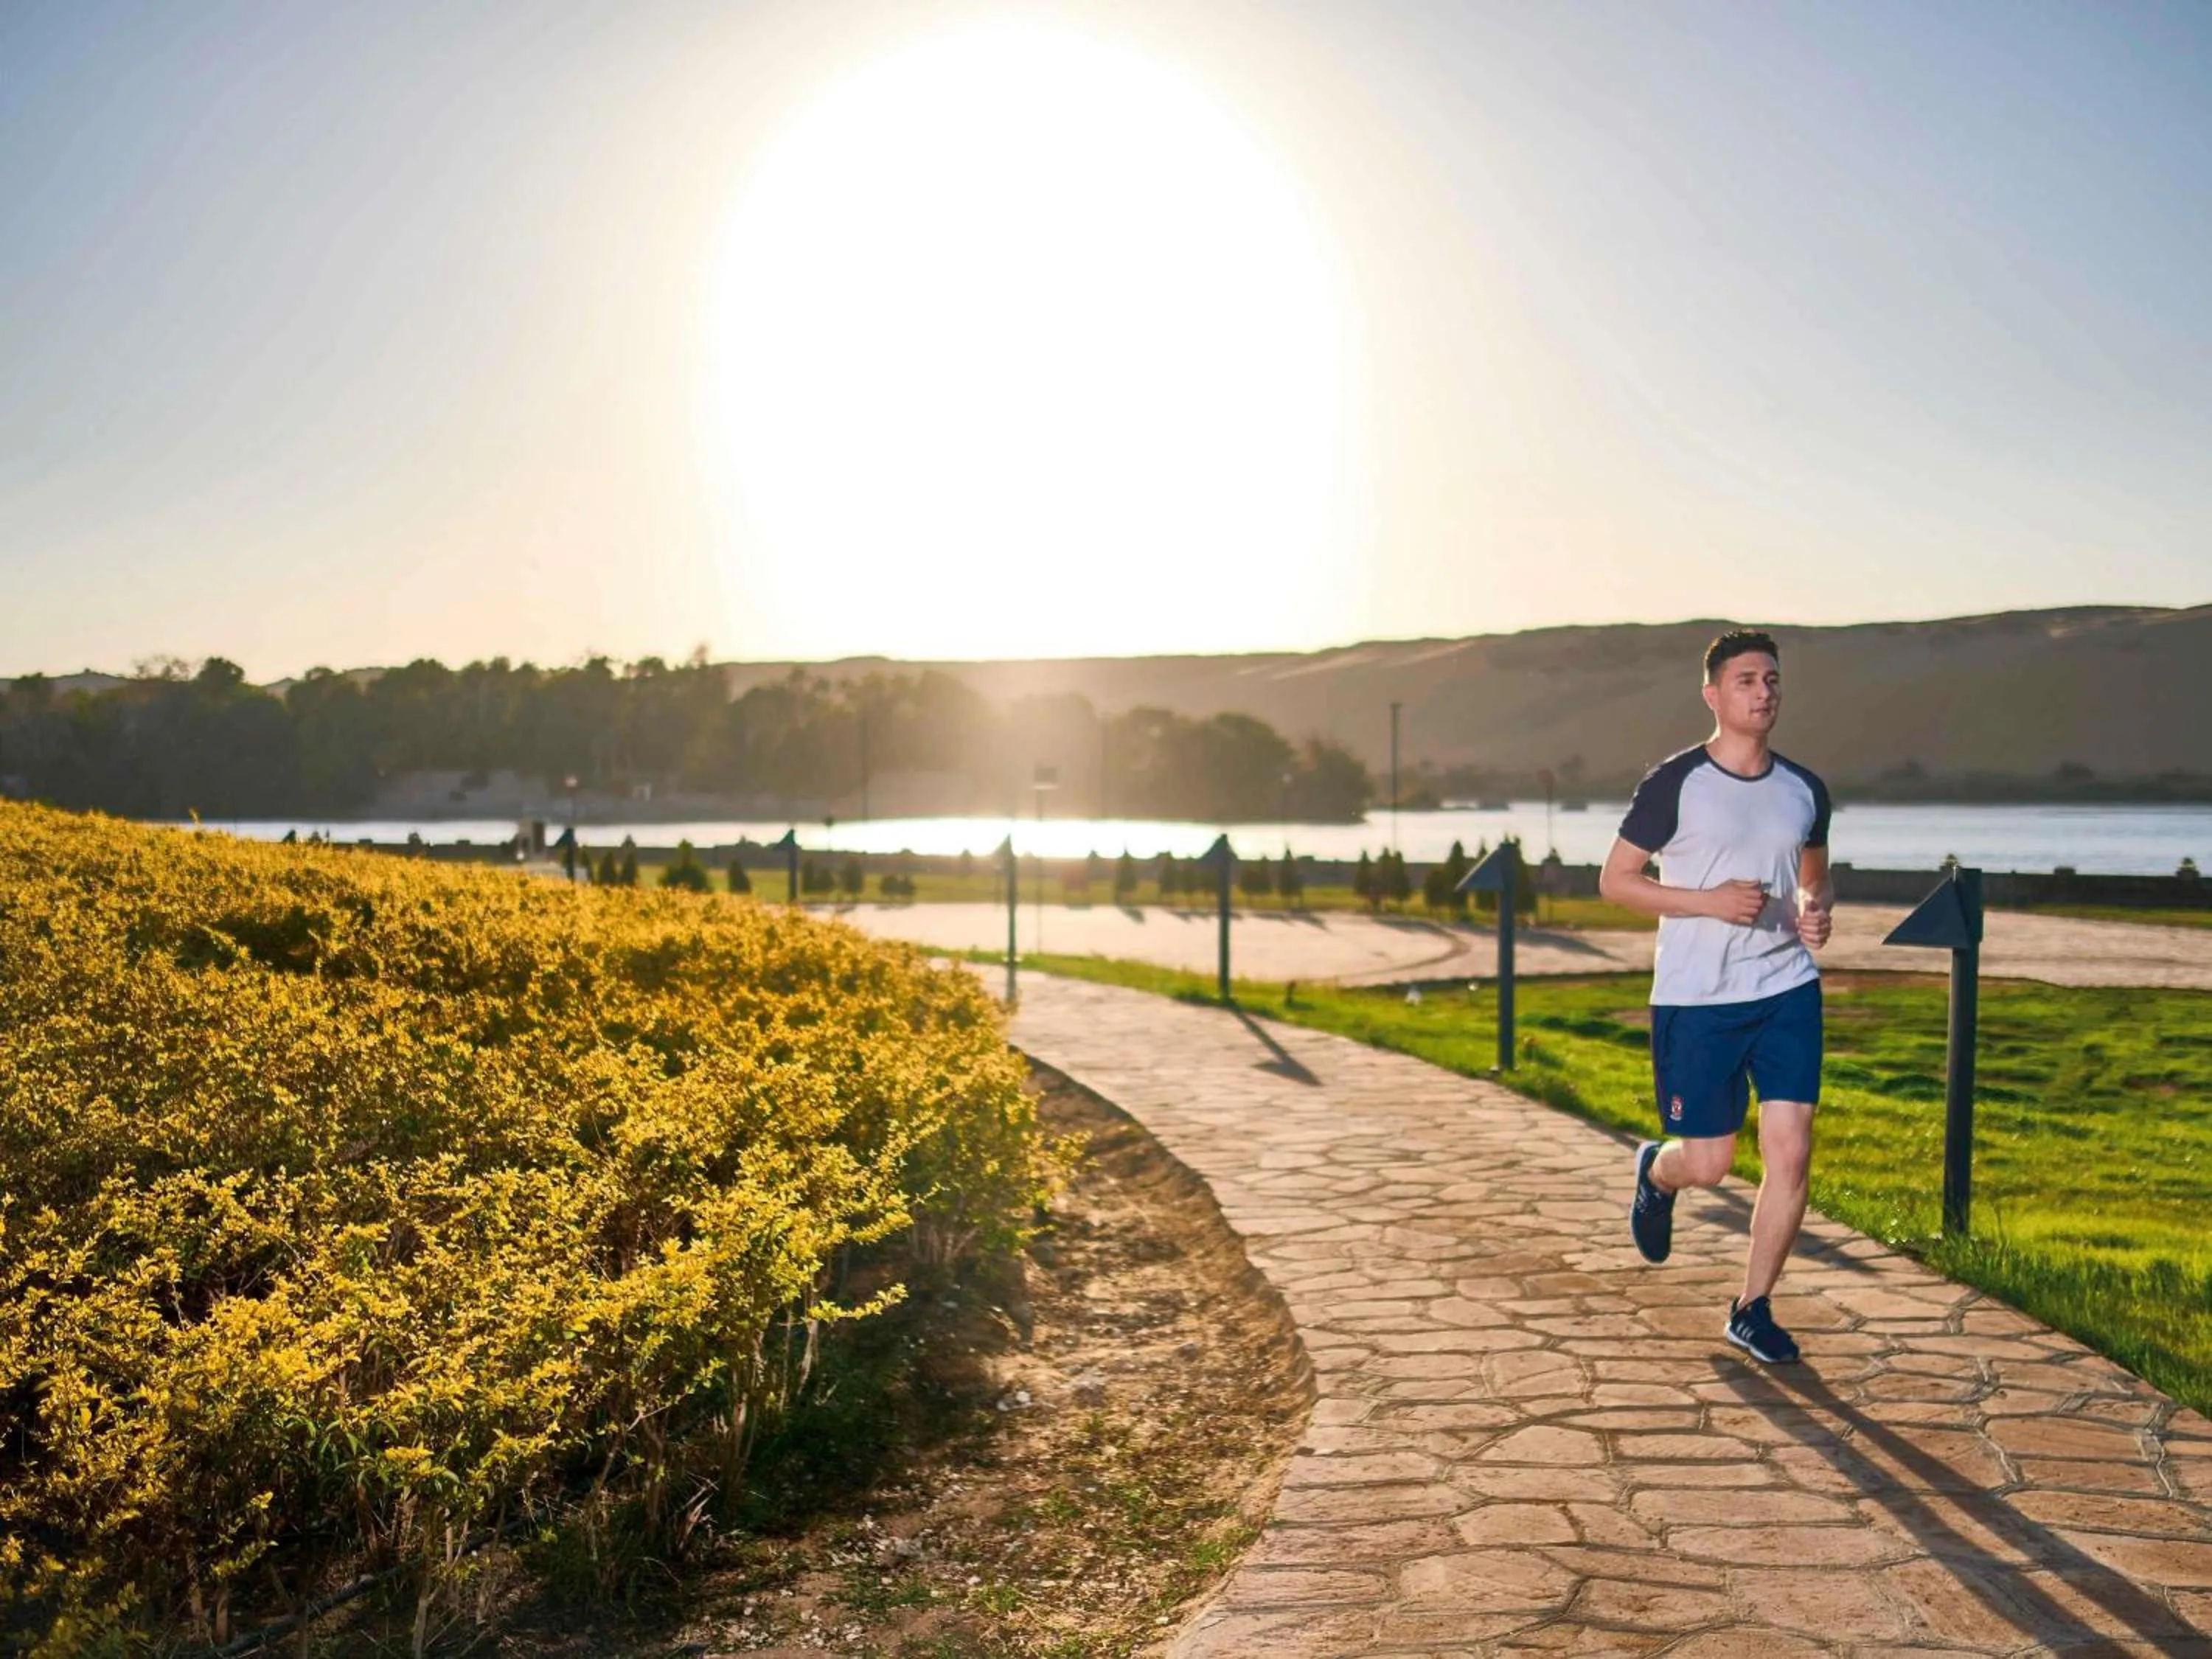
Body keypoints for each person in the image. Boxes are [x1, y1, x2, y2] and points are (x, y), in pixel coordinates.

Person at [1597, 628, 1833, 1364]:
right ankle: (1658, 1173)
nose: (1763, 692)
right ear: (1713, 695)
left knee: (1790, 1155)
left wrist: (1817, 908)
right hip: (1698, 1000)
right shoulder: (1677, 783)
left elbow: (1813, 872)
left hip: (1787, 987)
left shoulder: (1804, 789)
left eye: (1771, 680)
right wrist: (1707, 901)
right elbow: (1616, 882)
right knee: (1709, 1165)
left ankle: (1752, 1308)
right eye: (1746, 681)